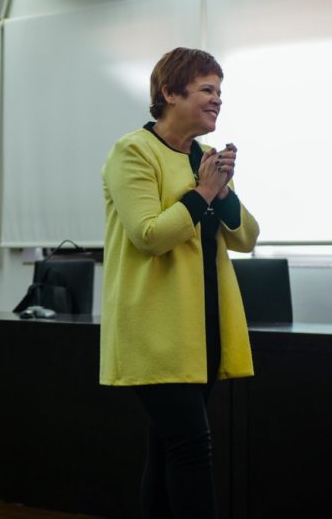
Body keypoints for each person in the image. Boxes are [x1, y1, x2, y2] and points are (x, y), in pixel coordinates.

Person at [100, 47, 260, 519]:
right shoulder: (134, 151)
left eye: (220, 92)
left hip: (202, 329)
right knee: (193, 447)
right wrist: (202, 193)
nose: (217, 101)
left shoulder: (206, 157)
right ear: (170, 92)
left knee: (169, 449)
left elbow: (247, 237)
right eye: (206, 90)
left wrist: (222, 193)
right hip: (155, 329)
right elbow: (148, 235)